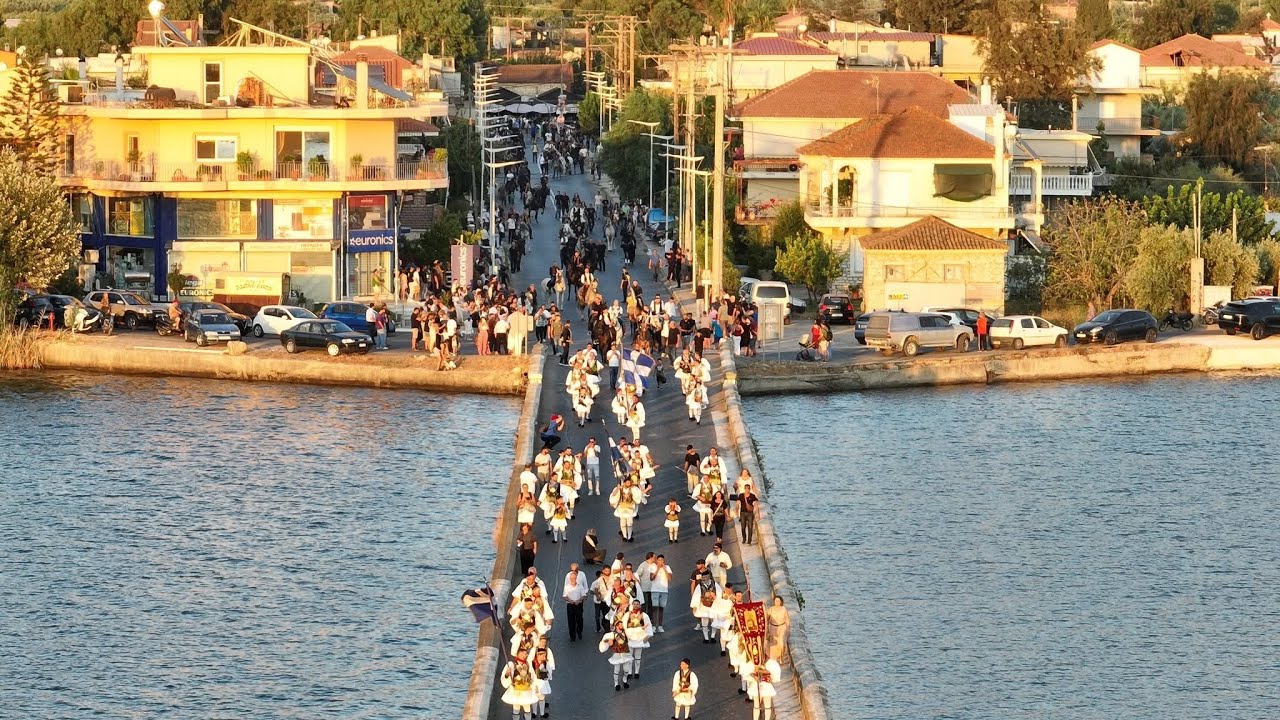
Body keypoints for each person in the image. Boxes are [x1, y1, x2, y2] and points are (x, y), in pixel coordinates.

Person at [500, 648, 537, 720]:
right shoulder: (512, 664)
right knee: (516, 708)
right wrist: (507, 674)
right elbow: (506, 676)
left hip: (526, 689)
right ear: (517, 654)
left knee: (527, 708)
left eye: (525, 654)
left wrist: (534, 685)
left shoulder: (528, 664)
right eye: (522, 654)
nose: (524, 655)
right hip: (515, 690)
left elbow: (532, 676)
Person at [748, 647, 783, 720]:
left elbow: (773, 674)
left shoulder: (770, 662)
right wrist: (754, 676)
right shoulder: (755, 661)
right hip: (757, 685)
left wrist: (760, 672)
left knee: (767, 706)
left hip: (766, 685)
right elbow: (749, 671)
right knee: (757, 706)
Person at [599, 620, 633, 691]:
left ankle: (624, 680)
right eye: (620, 625)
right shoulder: (613, 635)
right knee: (616, 669)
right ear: (617, 626)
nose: (622, 626)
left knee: (626, 669)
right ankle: (616, 684)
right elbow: (610, 643)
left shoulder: (625, 633)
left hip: (625, 652)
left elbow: (629, 639)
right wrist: (607, 641)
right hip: (617, 653)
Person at [563, 562, 589, 642]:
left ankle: (579, 630)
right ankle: (572, 636)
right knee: (571, 621)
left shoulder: (582, 575)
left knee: (579, 618)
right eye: (572, 570)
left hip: (579, 600)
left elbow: (585, 586)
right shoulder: (568, 576)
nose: (573, 571)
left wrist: (582, 598)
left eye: (575, 570)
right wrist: (570, 600)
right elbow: (565, 593)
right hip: (570, 603)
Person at [648, 554, 672, 633]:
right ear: (657, 561)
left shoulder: (667, 567)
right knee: (655, 608)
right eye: (659, 560)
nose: (661, 562)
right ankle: (654, 626)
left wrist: (664, 569)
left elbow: (670, 579)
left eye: (662, 560)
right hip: (655, 590)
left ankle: (660, 625)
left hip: (664, 590)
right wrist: (657, 569)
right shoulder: (653, 567)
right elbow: (651, 578)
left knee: (661, 608)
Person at [766, 595, 791, 661]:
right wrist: (767, 630)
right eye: (776, 601)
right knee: (774, 644)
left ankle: (781, 657)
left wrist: (788, 628)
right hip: (773, 627)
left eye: (778, 601)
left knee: (781, 642)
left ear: (780, 602)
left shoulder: (784, 609)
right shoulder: (771, 609)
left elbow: (787, 620)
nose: (777, 602)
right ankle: (775, 657)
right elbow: (767, 620)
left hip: (782, 627)